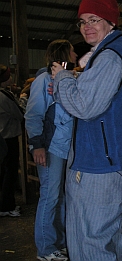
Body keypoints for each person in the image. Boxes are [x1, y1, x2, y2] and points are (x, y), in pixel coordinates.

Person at [50, 0, 122, 260]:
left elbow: (84, 106)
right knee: (116, 237)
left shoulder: (108, 57)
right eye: (82, 21)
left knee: (90, 240)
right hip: (115, 161)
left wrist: (61, 78)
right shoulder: (115, 53)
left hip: (98, 166)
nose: (87, 27)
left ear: (111, 22)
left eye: (94, 19)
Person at [25, 39, 77, 261]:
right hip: (50, 146)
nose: (76, 54)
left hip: (64, 147)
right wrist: (37, 146)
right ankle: (45, 249)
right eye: (72, 51)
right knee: (49, 195)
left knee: (60, 197)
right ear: (65, 54)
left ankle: (61, 243)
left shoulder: (67, 80)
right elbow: (33, 114)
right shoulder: (43, 80)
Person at [0, 64, 23, 217]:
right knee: (10, 173)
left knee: (2, 172)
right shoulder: (4, 96)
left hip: (1, 136)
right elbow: (19, 114)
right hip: (8, 137)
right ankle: (7, 206)